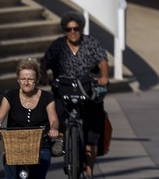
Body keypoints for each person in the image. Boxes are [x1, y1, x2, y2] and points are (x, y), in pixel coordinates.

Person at [39, 11, 109, 178]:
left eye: (76, 28)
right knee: (54, 113)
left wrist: (104, 77)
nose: (73, 32)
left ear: (81, 28)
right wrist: (44, 76)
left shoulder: (91, 42)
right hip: (63, 88)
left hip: (87, 87)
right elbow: (45, 62)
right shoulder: (58, 45)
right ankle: (58, 140)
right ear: (65, 30)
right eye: (69, 29)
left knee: (94, 122)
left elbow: (103, 61)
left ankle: (89, 170)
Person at [0, 58, 59, 179]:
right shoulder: (10, 96)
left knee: (39, 173)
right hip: (14, 145)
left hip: (40, 145)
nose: (26, 82)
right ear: (18, 79)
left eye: (30, 79)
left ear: (37, 80)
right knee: (11, 174)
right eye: (23, 79)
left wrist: (53, 129)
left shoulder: (46, 97)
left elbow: (54, 120)